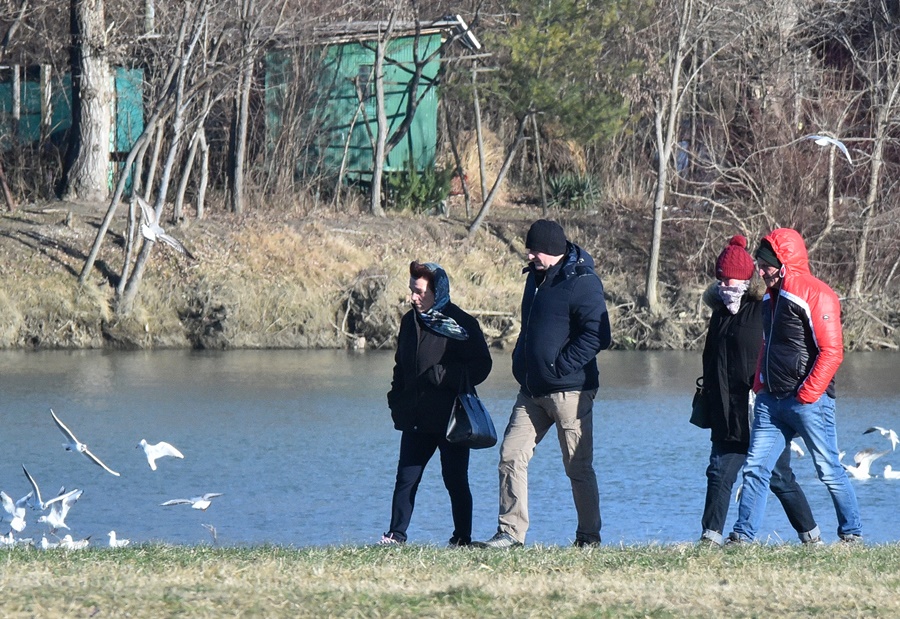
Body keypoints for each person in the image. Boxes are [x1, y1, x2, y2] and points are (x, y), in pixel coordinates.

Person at [477, 220, 611, 548]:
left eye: (534, 251)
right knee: (510, 454)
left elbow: (599, 334)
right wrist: (522, 363)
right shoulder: (535, 280)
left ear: (552, 251)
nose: (529, 256)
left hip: (571, 391)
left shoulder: (582, 281)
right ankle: (510, 533)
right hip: (532, 391)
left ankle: (588, 537)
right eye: (529, 250)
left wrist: (559, 366)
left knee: (577, 467)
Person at [727, 228, 862, 544]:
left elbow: (832, 352)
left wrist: (807, 394)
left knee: (829, 470)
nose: (761, 272)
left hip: (808, 403)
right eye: (759, 265)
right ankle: (743, 537)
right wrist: (760, 384)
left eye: (766, 265)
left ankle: (852, 534)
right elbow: (765, 345)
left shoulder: (817, 294)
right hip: (770, 403)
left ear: (784, 261)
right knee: (755, 470)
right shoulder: (768, 301)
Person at [698, 235, 820, 546]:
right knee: (719, 474)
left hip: (761, 412)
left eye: (733, 277)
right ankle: (710, 539)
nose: (727, 283)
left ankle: (812, 537)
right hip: (725, 413)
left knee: (779, 477)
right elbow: (712, 361)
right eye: (722, 277)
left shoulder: (764, 307)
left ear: (748, 277)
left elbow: (786, 351)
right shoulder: (719, 312)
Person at [382, 261, 492, 547]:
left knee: (455, 480)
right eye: (411, 291)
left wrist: (444, 375)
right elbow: (400, 366)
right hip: (416, 416)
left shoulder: (462, 323)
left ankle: (462, 538)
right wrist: (396, 397)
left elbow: (482, 366)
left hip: (452, 418)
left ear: (436, 291)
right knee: (406, 478)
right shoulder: (410, 321)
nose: (413, 298)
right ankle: (396, 536)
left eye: (419, 292)